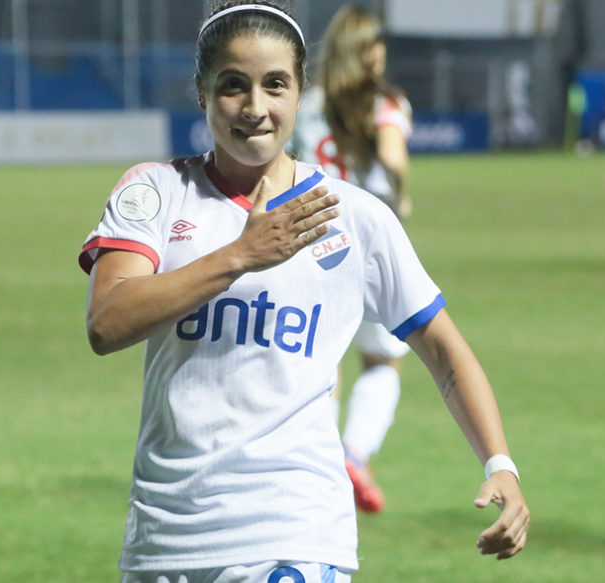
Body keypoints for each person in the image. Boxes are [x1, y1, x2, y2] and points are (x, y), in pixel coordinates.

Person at [79, 2, 529, 581]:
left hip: (295, 536)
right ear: (202, 91)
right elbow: (107, 323)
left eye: (275, 85)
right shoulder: (158, 192)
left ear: (299, 92)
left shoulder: (356, 217)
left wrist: (501, 463)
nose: (255, 108)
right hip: (165, 541)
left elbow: (445, 353)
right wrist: (240, 254)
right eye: (233, 86)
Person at [290, 5, 413, 514]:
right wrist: (402, 194)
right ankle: (354, 455)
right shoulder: (383, 104)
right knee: (382, 360)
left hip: (309, 242)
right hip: (367, 248)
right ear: (367, 51)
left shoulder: (308, 102)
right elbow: (393, 158)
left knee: (325, 358)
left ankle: (315, 462)